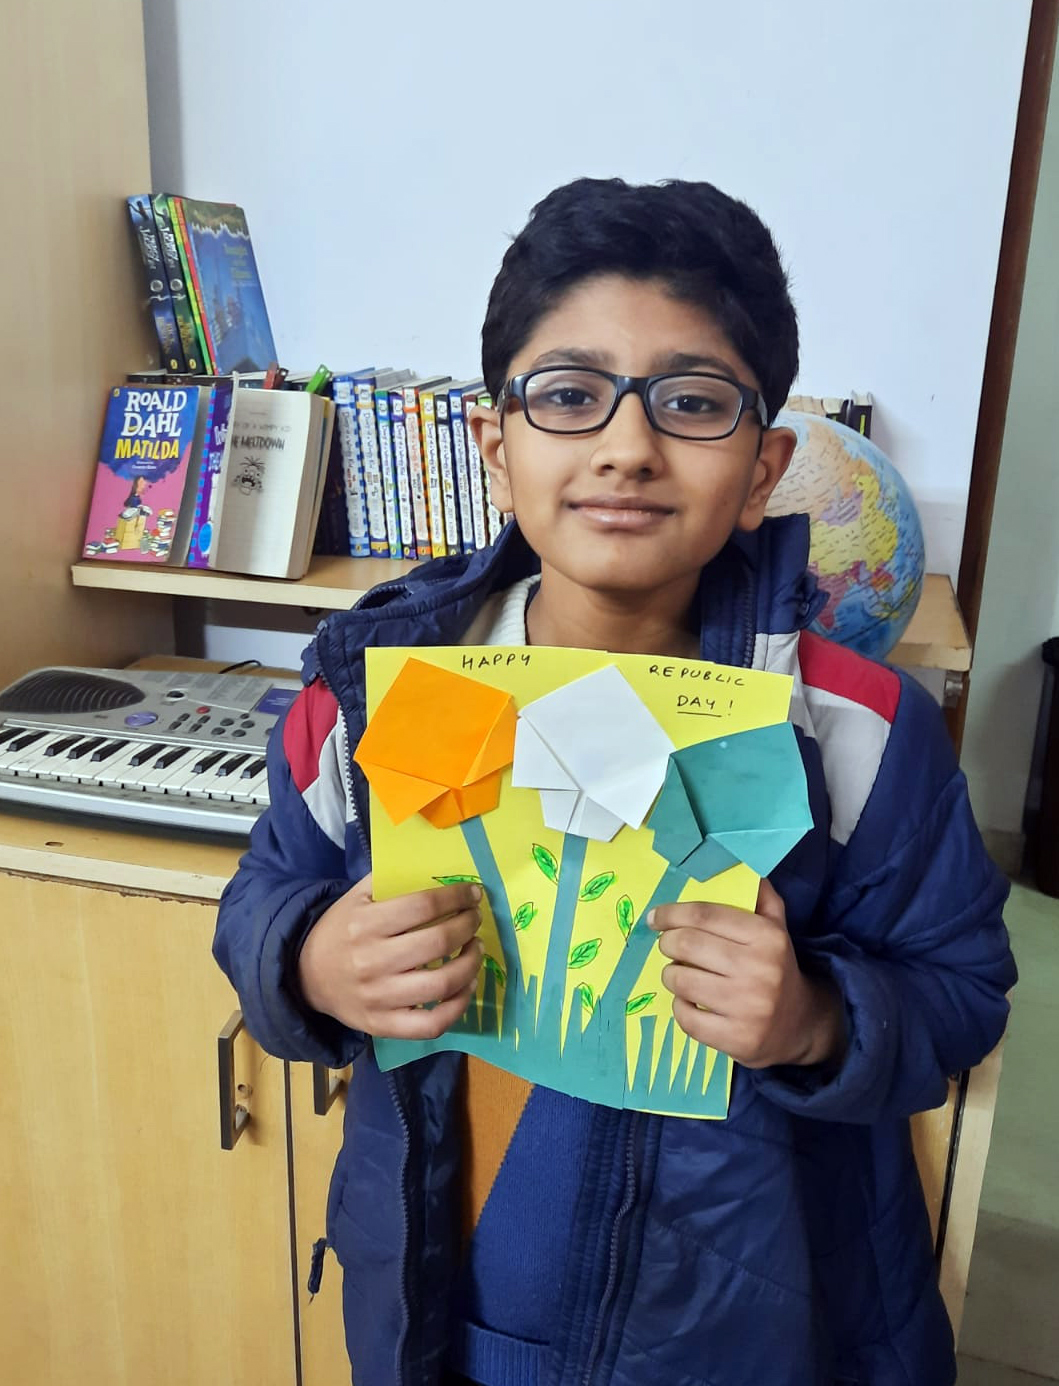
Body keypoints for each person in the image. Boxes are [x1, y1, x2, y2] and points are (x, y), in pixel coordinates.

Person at [213, 177, 1015, 1386]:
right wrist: (309, 961)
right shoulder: (367, 699)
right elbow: (263, 898)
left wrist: (811, 1017)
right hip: (426, 1305)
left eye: (691, 403)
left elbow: (963, 992)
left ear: (761, 469)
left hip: (736, 1335)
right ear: (496, 444)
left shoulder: (858, 729)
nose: (626, 449)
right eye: (570, 396)